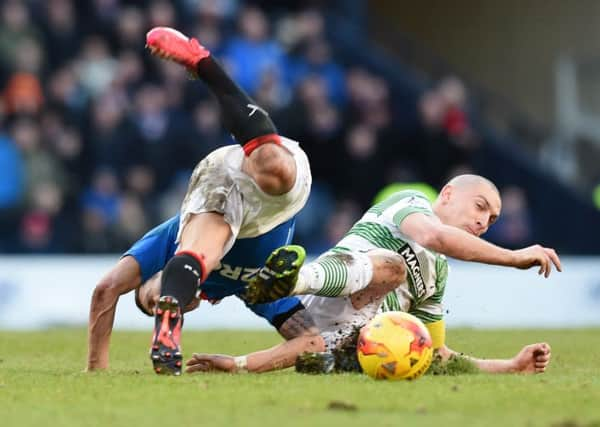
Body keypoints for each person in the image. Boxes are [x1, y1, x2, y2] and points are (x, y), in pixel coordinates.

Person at [88, 26, 313, 376]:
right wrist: (236, 365)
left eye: (149, 297)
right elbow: (311, 342)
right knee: (211, 242)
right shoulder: (254, 290)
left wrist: (95, 371)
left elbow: (106, 289)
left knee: (273, 168)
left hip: (233, 178)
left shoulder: (163, 245)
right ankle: (206, 67)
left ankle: (204, 65)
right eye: (154, 305)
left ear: (153, 277)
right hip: (261, 210)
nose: (151, 299)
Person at [185, 175, 558, 374]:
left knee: (382, 347)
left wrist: (509, 366)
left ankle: (323, 353)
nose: (483, 221)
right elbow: (434, 236)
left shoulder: (437, 275)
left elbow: (437, 354)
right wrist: (513, 257)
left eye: (492, 220)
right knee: (394, 269)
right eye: (479, 207)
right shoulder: (411, 203)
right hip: (326, 286)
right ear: (447, 195)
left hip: (334, 338)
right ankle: (290, 281)